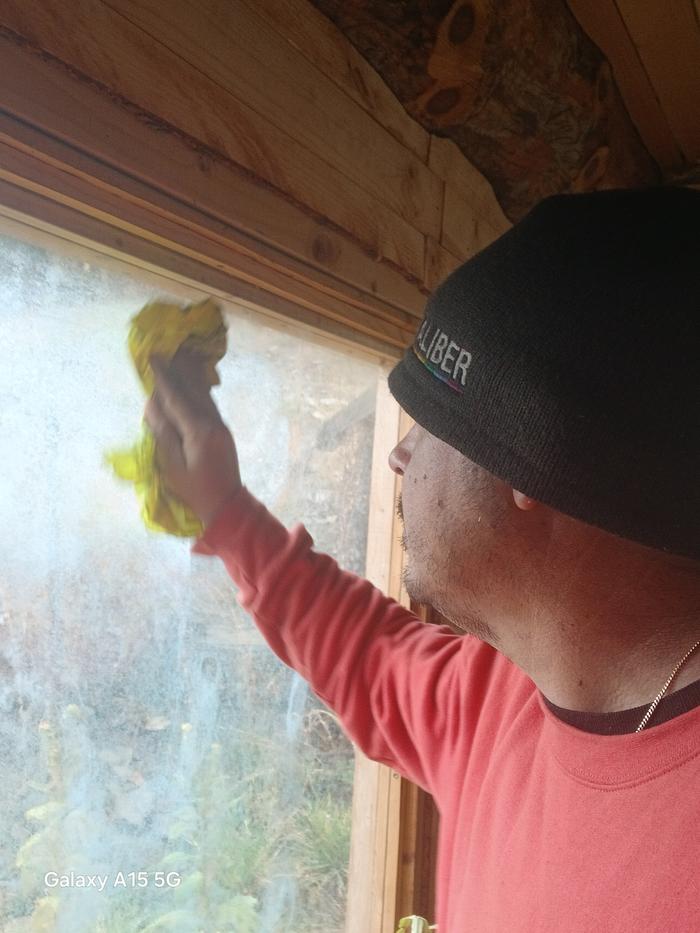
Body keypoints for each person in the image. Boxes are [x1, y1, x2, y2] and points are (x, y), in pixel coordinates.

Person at [144, 186, 700, 932]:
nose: (400, 454)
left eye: (430, 419)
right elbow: (369, 655)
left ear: (528, 464)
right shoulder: (510, 694)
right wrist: (223, 507)